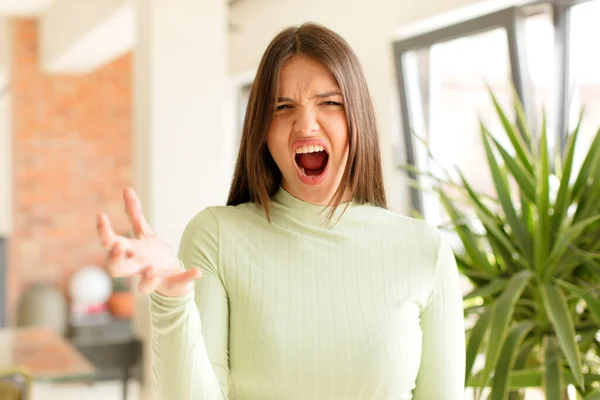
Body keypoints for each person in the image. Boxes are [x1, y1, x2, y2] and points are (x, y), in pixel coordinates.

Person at [96, 22, 465, 400]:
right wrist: (172, 299)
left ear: (359, 118)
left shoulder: (425, 251)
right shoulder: (217, 238)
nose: (305, 124)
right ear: (262, 130)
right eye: (283, 107)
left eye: (330, 102)